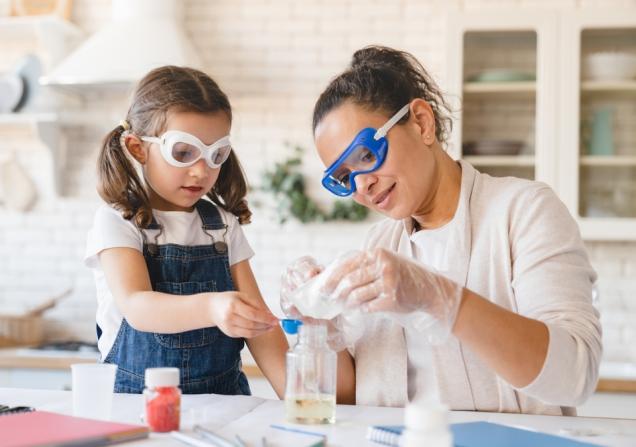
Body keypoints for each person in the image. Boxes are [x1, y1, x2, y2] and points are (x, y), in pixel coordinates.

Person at [282, 46, 601, 415]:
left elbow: (575, 375)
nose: (361, 187)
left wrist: (442, 299)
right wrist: (321, 332)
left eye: (366, 155)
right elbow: (353, 401)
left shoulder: (524, 211)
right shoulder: (380, 245)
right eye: (342, 178)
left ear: (421, 122)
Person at [85, 66, 286, 395]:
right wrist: (213, 308)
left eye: (215, 154)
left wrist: (299, 401)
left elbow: (259, 325)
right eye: (183, 153)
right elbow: (137, 306)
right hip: (134, 406)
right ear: (138, 148)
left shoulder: (223, 227)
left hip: (223, 402)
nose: (201, 171)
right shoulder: (118, 222)